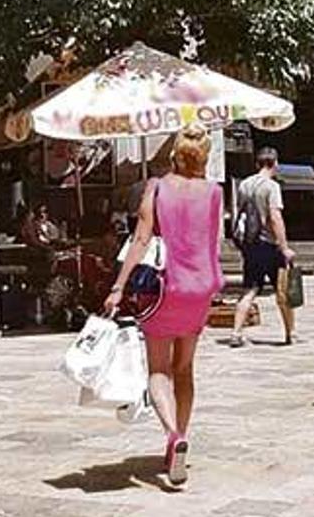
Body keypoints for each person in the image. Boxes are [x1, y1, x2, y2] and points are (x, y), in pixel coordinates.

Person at [103, 123, 224, 486]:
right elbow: (214, 243)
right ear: (204, 155)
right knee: (185, 367)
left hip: (165, 287)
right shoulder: (215, 192)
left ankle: (174, 434)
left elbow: (140, 240)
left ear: (173, 152)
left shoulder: (156, 188)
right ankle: (180, 439)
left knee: (158, 370)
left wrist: (118, 286)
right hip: (201, 287)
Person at [231, 147, 297, 347]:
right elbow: (275, 217)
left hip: (250, 245)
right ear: (274, 163)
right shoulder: (271, 187)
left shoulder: (244, 185)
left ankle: (236, 332)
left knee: (250, 289)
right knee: (283, 291)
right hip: (269, 244)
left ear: (257, 164)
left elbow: (238, 212)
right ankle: (290, 333)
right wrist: (284, 246)